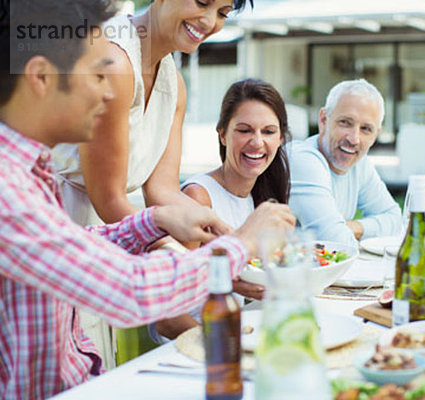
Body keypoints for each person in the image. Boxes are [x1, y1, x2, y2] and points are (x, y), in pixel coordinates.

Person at [0, 1, 295, 397]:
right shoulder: (10, 192)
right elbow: (130, 289)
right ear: (41, 77)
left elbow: (84, 240)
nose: (110, 94)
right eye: (98, 75)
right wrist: (238, 246)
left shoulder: (26, 170)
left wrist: (154, 221)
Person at [50, 0, 253, 366]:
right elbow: (109, 200)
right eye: (202, 2)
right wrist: (206, 263)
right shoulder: (112, 61)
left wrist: (231, 239)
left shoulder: (173, 82)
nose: (208, 21)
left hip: (115, 232)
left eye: (222, 12)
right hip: (62, 226)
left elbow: (162, 191)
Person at [150, 78, 290, 340]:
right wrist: (222, 344)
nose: (257, 142)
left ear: (280, 138)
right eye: (245, 130)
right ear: (223, 134)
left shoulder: (261, 199)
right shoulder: (199, 197)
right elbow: (165, 317)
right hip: (192, 346)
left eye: (268, 131)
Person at [287, 79, 402, 247]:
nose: (354, 139)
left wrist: (354, 227)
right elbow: (335, 241)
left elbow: (394, 218)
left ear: (375, 135)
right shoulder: (301, 159)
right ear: (323, 120)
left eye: (366, 129)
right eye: (345, 123)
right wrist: (343, 232)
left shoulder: (359, 164)